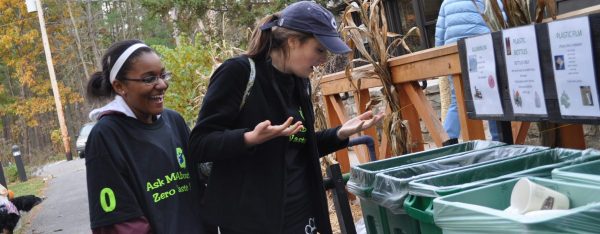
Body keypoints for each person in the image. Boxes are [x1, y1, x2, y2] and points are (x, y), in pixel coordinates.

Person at [189, 1, 384, 233]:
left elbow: (299, 146)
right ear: (293, 41)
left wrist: (340, 133)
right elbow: (199, 144)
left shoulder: (299, 81)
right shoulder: (239, 72)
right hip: (252, 220)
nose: (324, 59)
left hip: (301, 213)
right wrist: (249, 138)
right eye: (319, 49)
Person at [84, 39, 210, 233]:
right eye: (149, 78)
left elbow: (200, 189)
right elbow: (118, 221)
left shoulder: (174, 121)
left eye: (162, 75)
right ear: (119, 86)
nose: (162, 84)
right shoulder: (106, 135)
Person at [435, 0, 505, 144]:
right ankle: (498, 141)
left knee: (457, 99)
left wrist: (440, 55)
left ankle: (447, 141)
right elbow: (501, 22)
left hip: (454, 56)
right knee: (492, 95)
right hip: (484, 49)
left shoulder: (446, 2)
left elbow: (440, 33)